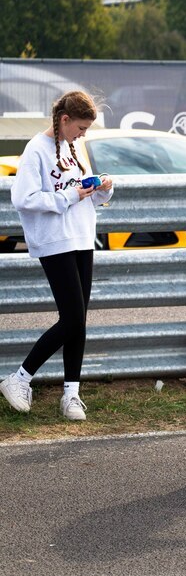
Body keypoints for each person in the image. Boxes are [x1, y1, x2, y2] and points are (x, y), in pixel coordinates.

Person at [1, 91, 114, 420]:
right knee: (73, 319)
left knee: (78, 323)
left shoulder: (75, 145)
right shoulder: (36, 148)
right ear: (64, 120)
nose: (83, 135)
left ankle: (71, 395)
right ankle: (19, 378)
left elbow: (84, 194)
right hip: (54, 241)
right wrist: (67, 197)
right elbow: (23, 198)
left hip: (81, 237)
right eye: (80, 127)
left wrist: (102, 189)